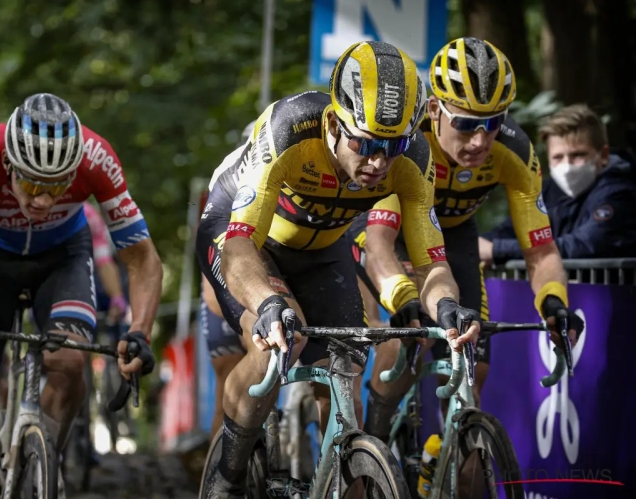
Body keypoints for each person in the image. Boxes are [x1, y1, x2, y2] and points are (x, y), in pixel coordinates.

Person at [197, 41, 483, 497]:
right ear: (333, 123)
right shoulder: (290, 127)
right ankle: (225, 479)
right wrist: (268, 303)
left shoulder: (414, 161)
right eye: (365, 143)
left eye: (393, 146)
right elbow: (239, 246)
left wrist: (447, 305)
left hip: (323, 247)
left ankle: (344, 472)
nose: (377, 162)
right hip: (243, 236)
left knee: (347, 368)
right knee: (280, 344)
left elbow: (431, 264)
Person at [346, 37, 584, 445]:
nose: (479, 140)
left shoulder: (514, 151)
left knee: (474, 366)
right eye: (467, 124)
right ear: (436, 110)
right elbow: (380, 245)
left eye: (492, 123)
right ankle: (375, 448)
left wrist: (554, 301)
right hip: (390, 231)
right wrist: (405, 297)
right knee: (411, 339)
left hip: (454, 233)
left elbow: (541, 250)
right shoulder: (407, 143)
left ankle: (451, 459)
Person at [0, 93, 162, 499]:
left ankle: (43, 471)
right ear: (8, 164)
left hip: (62, 258)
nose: (43, 199)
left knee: (69, 359)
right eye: (32, 183)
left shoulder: (97, 158)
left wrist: (140, 329)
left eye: (58, 185)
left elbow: (142, 259)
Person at [481, 103, 636, 262]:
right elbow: (512, 229)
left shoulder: (620, 193)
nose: (567, 166)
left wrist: (496, 250)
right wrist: (475, 246)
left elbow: (584, 245)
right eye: (558, 157)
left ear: (603, 155)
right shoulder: (549, 190)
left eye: (578, 155)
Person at [198, 122, 255, 439]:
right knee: (229, 386)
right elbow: (212, 286)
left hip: (265, 291)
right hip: (224, 300)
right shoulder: (225, 192)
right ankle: (219, 478)